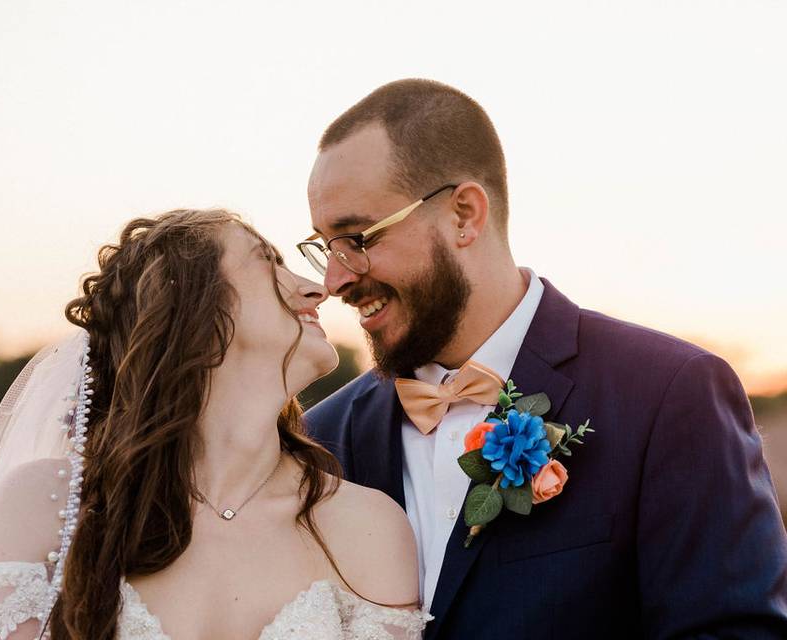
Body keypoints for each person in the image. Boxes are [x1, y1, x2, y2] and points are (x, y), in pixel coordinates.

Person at [301, 79, 787, 639]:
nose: (335, 280)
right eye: (324, 248)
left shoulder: (669, 394)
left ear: (464, 214)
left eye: (357, 239)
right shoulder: (321, 440)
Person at [0, 209, 431, 639]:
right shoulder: (46, 507)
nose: (315, 288)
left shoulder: (368, 528)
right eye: (268, 261)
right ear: (195, 313)